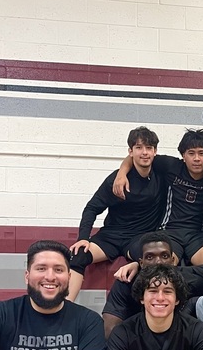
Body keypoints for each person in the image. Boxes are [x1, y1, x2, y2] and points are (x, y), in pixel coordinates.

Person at [68, 126, 164, 300]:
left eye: (149, 148)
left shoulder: (162, 174)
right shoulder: (117, 180)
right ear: (130, 151)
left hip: (139, 238)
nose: (144, 152)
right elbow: (92, 208)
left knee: (154, 260)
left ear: (155, 151)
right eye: (139, 147)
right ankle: (65, 307)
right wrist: (83, 237)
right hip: (111, 237)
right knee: (78, 256)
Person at [113, 129, 203, 266]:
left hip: (198, 236)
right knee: (161, 267)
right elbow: (137, 157)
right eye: (191, 153)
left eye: (202, 153)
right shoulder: (172, 166)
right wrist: (121, 174)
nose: (197, 158)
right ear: (183, 155)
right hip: (169, 232)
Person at [102, 232, 178, 338]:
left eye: (164, 256)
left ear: (173, 260)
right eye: (150, 257)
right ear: (141, 263)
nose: (158, 262)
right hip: (135, 341)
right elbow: (110, 329)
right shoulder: (127, 281)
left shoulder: (186, 279)